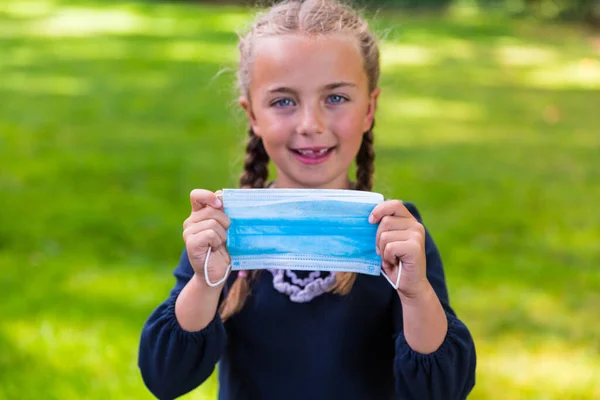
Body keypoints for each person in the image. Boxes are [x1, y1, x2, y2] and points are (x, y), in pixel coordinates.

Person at [138, 0, 477, 399]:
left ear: (369, 109)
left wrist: (416, 293)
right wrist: (205, 282)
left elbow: (442, 390)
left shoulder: (396, 235)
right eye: (283, 101)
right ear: (253, 115)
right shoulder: (227, 229)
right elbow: (165, 377)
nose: (310, 125)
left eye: (335, 98)